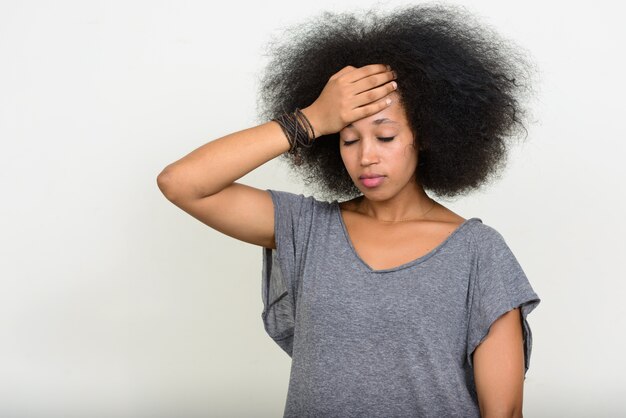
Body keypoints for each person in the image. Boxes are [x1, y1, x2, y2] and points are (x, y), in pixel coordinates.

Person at [157, 4, 541, 417]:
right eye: (348, 139)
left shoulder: (478, 252)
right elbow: (181, 183)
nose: (366, 157)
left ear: (427, 135)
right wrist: (310, 119)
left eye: (386, 136)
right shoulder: (307, 229)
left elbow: (504, 413)